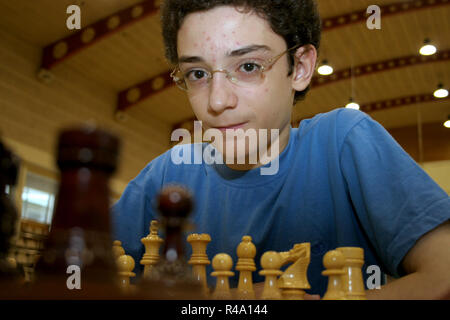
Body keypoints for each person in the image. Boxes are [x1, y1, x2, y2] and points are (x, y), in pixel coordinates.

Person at [112, 0, 450, 299]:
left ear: (300, 67)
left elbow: (443, 274)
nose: (216, 101)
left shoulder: (342, 143)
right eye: (198, 73)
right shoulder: (165, 177)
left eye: (247, 66)